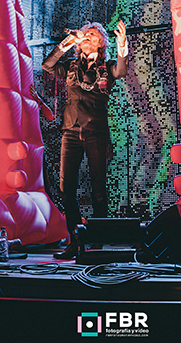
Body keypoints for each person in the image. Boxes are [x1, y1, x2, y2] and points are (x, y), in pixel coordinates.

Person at [42, 20, 128, 259]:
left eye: (93, 35)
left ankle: (98, 241)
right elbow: (47, 65)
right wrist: (68, 42)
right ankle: (75, 240)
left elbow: (121, 71)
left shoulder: (107, 67)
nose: (88, 36)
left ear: (101, 43)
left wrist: (122, 44)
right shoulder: (71, 67)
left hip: (95, 131)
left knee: (98, 188)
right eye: (85, 34)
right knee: (66, 188)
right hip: (71, 130)